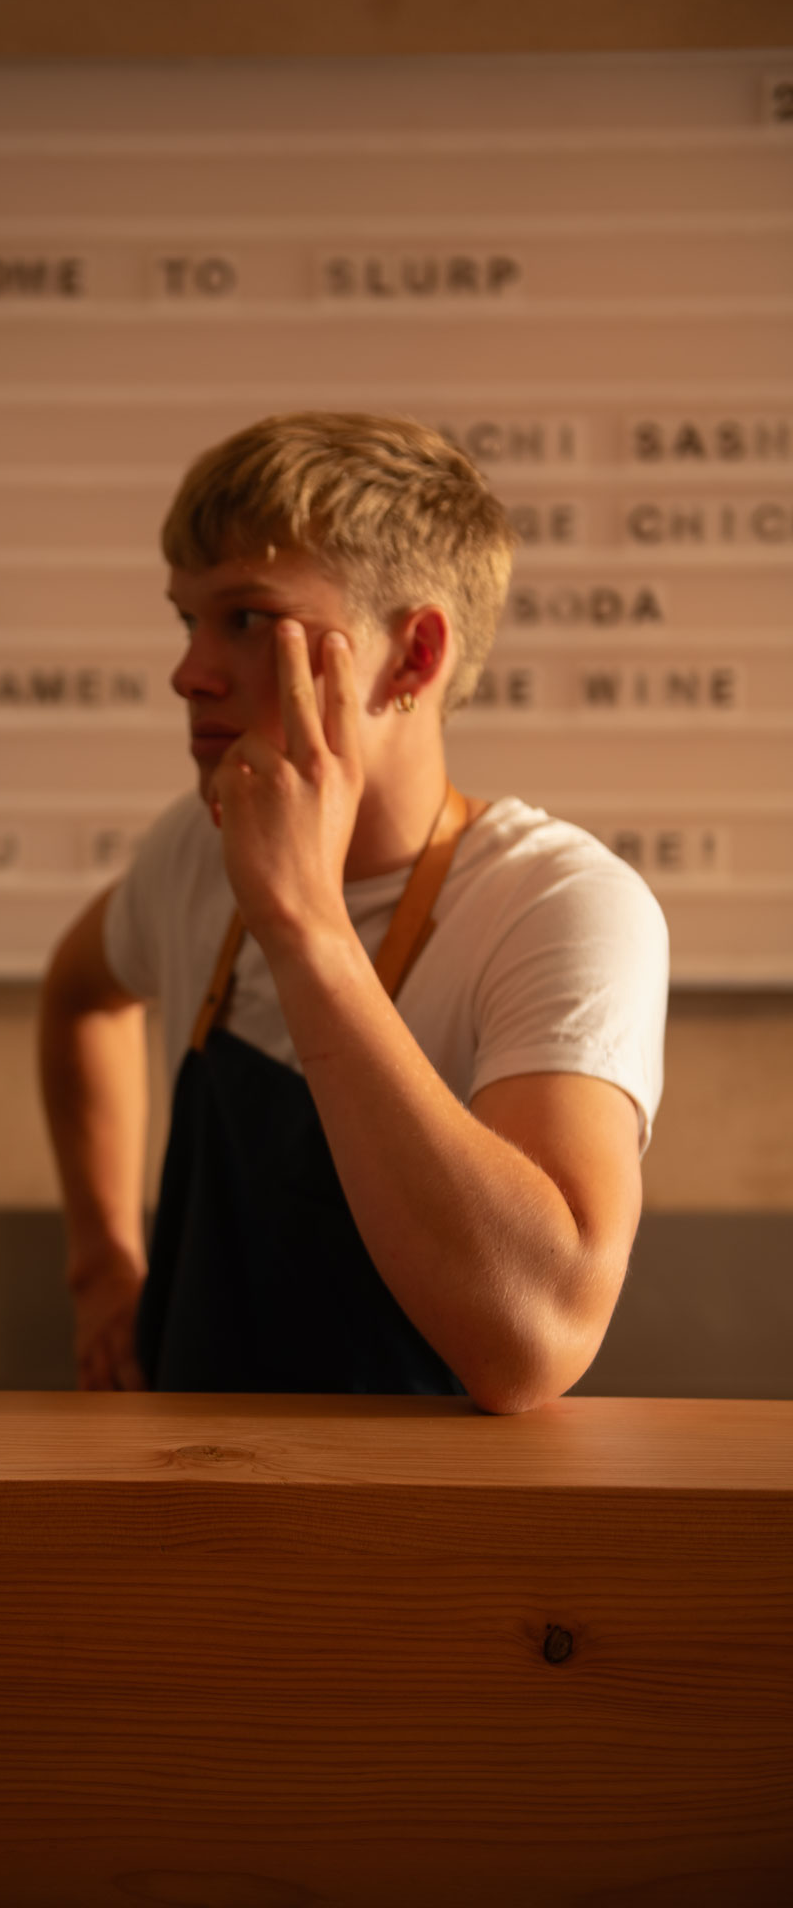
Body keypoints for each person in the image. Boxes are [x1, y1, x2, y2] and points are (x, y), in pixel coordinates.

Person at [38, 412, 668, 1413]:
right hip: (180, 1515)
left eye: (245, 618)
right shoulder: (194, 849)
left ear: (412, 657)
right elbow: (77, 1000)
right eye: (185, 619)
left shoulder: (557, 907)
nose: (188, 671)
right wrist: (99, 1270)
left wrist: (305, 928)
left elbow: (535, 1341)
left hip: (426, 1551)